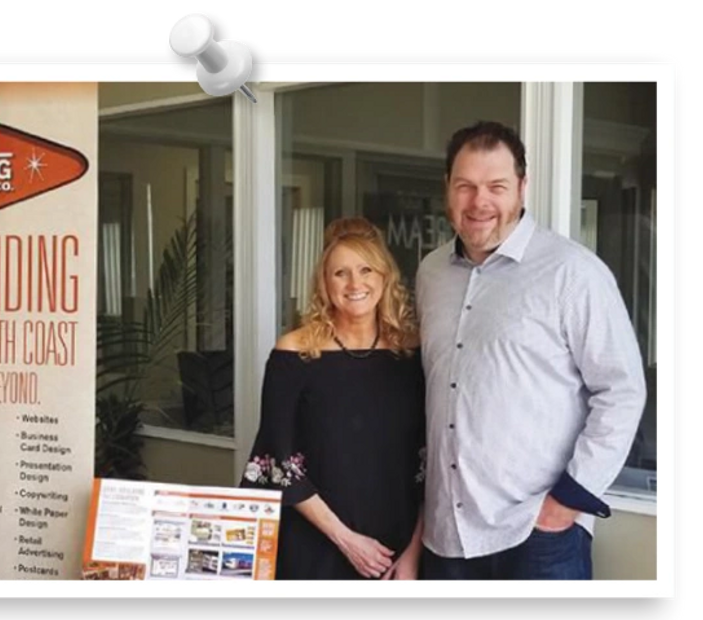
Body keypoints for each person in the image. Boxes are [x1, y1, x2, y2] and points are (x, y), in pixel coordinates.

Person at [415, 120, 647, 579]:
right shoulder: (430, 273)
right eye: (466, 186)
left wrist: (568, 501)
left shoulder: (573, 273)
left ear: (522, 186)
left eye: (496, 186)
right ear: (448, 189)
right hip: (446, 538)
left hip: (538, 537)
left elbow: (622, 391)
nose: (479, 202)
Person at [239, 217, 426, 580]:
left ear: (385, 277)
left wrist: (414, 553)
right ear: (325, 284)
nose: (355, 283)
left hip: (398, 546)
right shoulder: (294, 354)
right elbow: (280, 461)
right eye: (340, 273)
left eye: (366, 269)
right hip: (314, 545)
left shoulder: (412, 353)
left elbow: (431, 461)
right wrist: (346, 540)